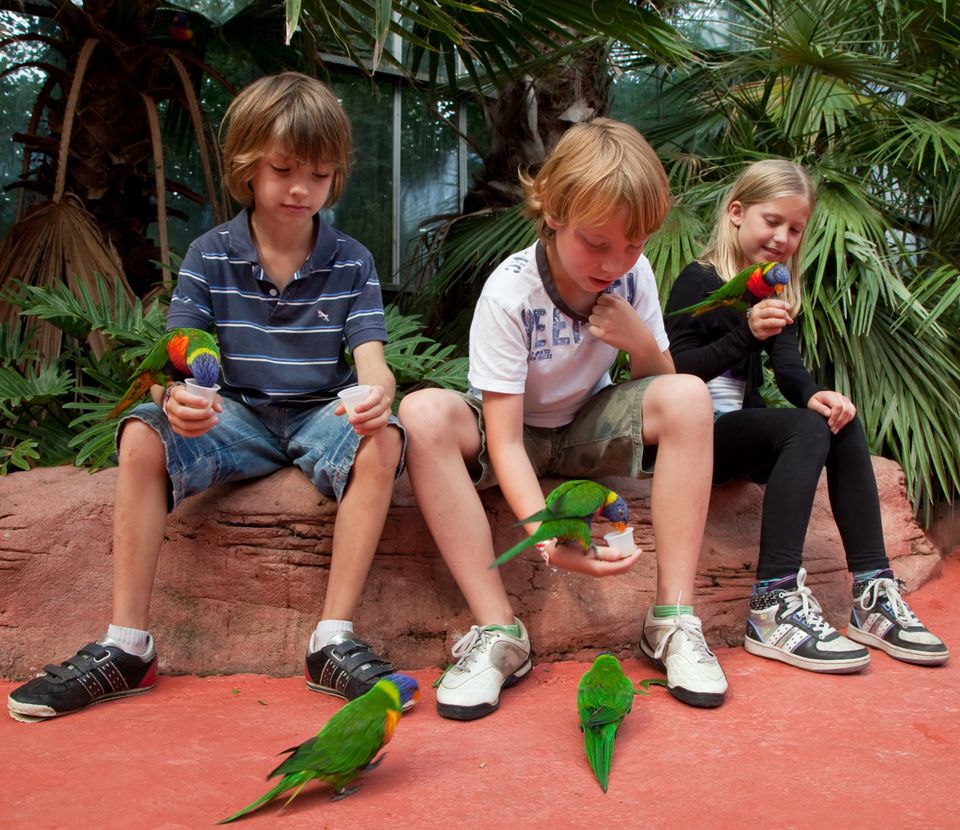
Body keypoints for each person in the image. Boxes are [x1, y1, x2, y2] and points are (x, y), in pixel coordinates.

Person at [8, 73, 408, 721]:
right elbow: (180, 362)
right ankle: (127, 645)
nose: (302, 187)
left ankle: (333, 638)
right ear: (247, 166)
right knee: (140, 433)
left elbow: (374, 364)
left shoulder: (353, 261)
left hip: (318, 414)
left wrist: (374, 395)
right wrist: (182, 402)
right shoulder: (208, 254)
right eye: (283, 169)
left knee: (384, 434)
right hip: (237, 416)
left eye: (321, 173)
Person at [398, 118, 728, 719]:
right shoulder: (510, 293)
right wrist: (548, 539)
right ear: (551, 212)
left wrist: (639, 341)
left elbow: (661, 381)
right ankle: (499, 632)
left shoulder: (634, 276)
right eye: (597, 243)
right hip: (514, 427)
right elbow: (502, 437)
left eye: (634, 244)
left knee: (690, 396)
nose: (615, 261)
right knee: (421, 412)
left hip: (585, 425)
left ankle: (673, 619)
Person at [664, 159, 948, 673]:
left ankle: (873, 595)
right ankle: (773, 603)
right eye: (772, 221)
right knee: (802, 425)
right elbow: (676, 369)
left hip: (743, 434)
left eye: (795, 228)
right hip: (694, 435)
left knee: (837, 420)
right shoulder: (698, 279)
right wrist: (746, 333)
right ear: (736, 213)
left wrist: (820, 395)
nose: (782, 236)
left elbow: (790, 373)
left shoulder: (774, 289)